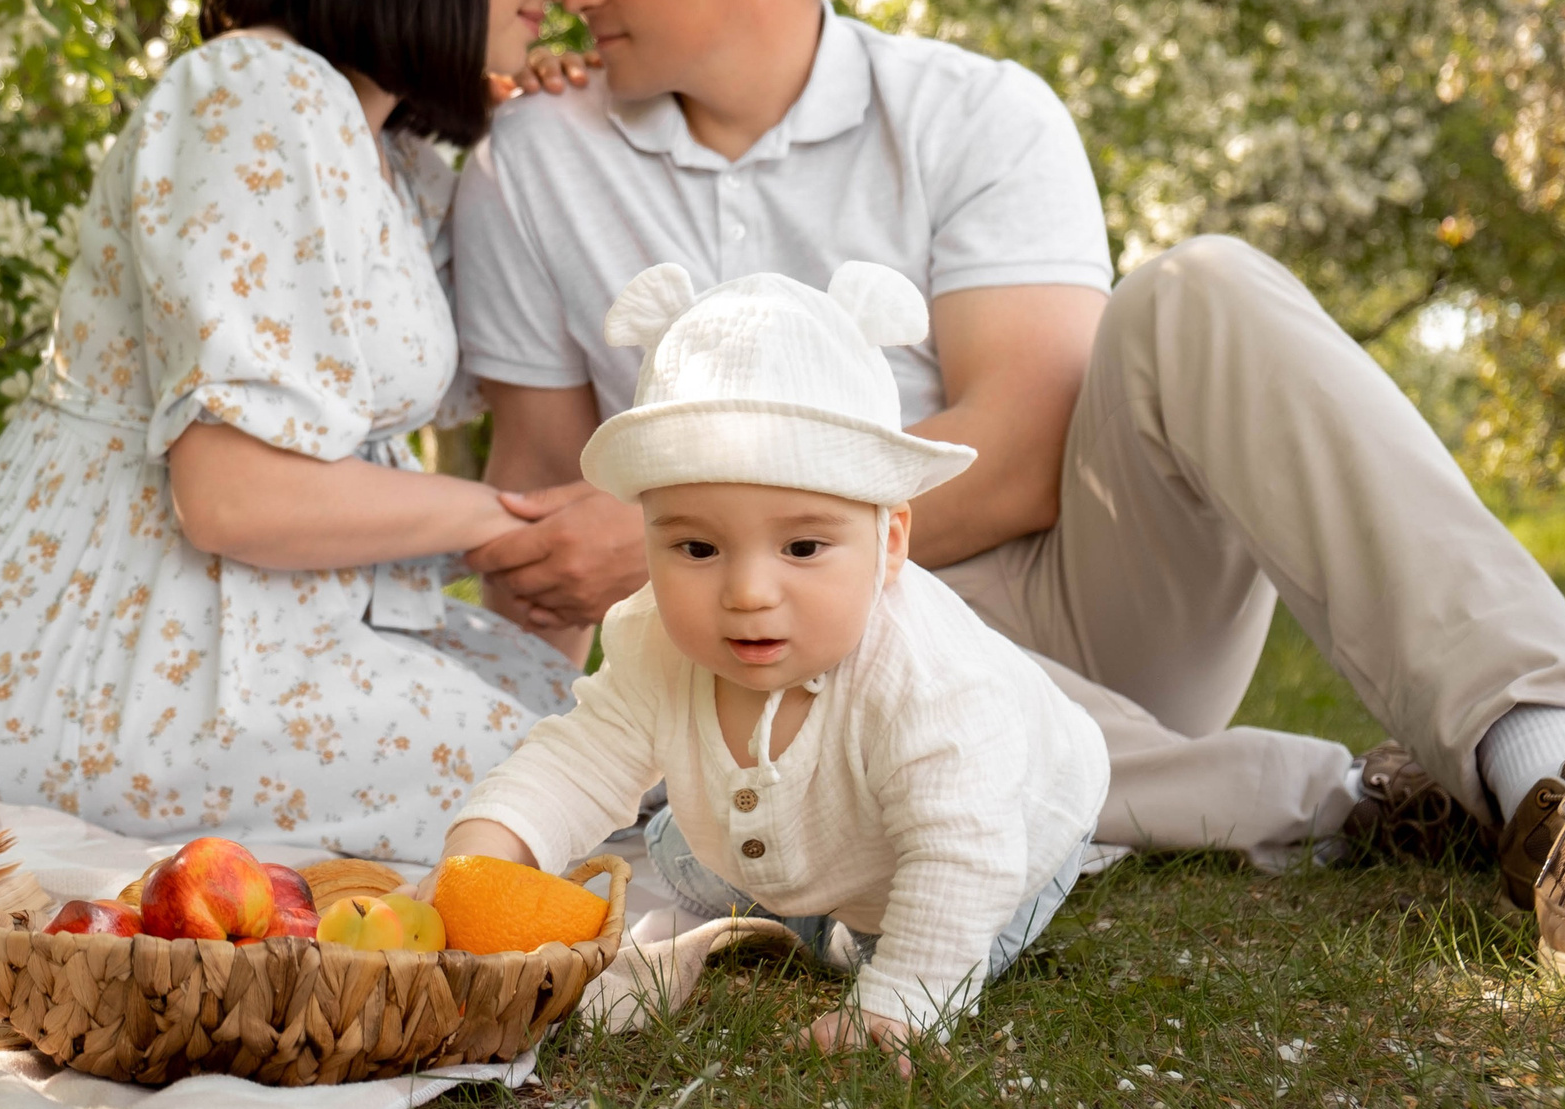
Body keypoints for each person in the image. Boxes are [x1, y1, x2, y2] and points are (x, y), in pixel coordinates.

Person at [452, 0, 1565, 954]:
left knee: (1199, 287)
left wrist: (698, 527)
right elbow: (541, 493)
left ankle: (1554, 771)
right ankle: (1350, 800)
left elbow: (1017, 454)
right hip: (755, 660)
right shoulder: (530, 159)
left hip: (1064, 603)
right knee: (867, 729)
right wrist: (552, 781)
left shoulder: (975, 115)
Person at [0, 0, 587, 862]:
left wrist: (552, 135)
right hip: (98, 654)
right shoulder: (256, 95)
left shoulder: (392, 160)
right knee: (564, 773)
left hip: (245, 631)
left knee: (590, 736)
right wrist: (504, 525)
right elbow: (234, 496)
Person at [441, 260, 1109, 1060]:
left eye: (802, 545)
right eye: (697, 545)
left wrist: (898, 1001)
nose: (749, 591)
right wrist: (484, 853)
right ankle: (809, 905)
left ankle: (852, 931)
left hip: (1007, 834)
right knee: (677, 844)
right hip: (832, 826)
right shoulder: (658, 636)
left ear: (889, 542)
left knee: (919, 935)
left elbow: (966, 844)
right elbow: (581, 758)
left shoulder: (923, 674)